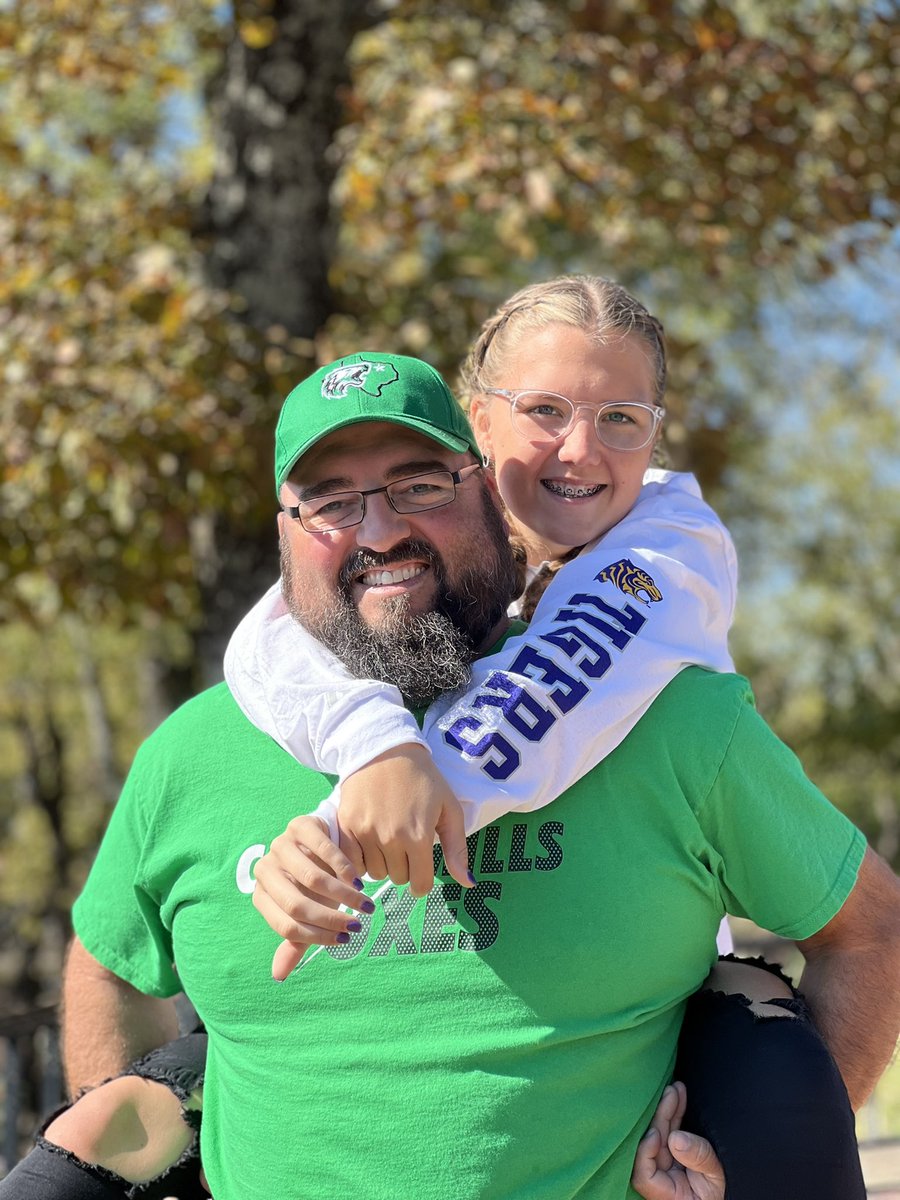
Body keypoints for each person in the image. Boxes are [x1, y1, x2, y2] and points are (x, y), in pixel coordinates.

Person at [21, 335, 897, 1200]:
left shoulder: (670, 717)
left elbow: (867, 932)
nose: (381, 529)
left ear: (486, 488)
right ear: (286, 534)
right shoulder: (191, 753)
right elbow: (107, 965)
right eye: (329, 502)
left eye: (419, 485)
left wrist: (761, 1154)